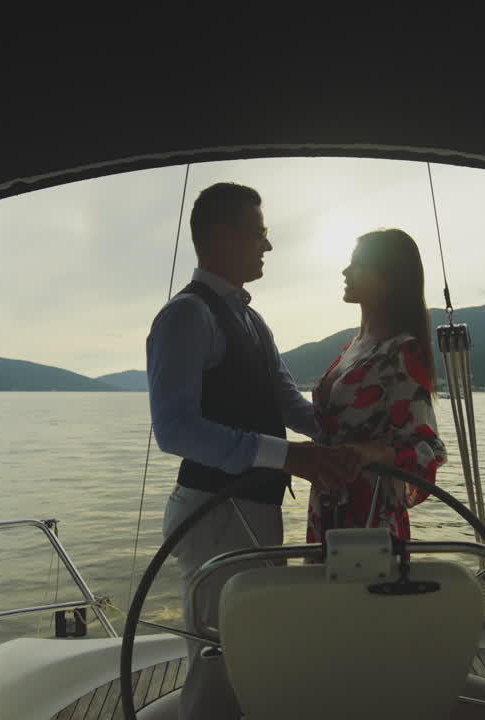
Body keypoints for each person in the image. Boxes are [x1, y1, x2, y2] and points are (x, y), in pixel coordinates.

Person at [147, 182, 359, 720]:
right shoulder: (185, 317)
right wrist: (289, 457)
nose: (267, 246)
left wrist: (355, 439)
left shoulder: (250, 319)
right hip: (212, 513)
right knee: (218, 654)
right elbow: (174, 429)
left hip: (255, 511)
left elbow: (287, 402)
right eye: (259, 233)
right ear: (221, 235)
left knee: (257, 641)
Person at [309, 229, 448, 543]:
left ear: (387, 280)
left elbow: (428, 451)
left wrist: (371, 452)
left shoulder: (401, 352)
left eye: (357, 265)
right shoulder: (354, 346)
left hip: (369, 519)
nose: (346, 271)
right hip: (328, 505)